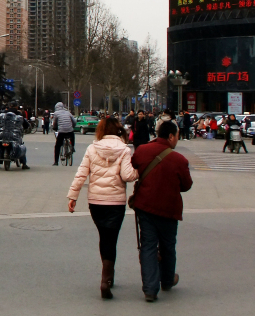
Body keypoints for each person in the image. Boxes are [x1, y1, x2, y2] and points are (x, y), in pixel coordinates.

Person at [67, 116, 138, 299]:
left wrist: (73, 196)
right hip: (115, 202)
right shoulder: (124, 150)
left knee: (103, 236)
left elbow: (81, 173)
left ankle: (107, 277)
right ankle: (106, 279)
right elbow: (127, 175)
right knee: (111, 238)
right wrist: (139, 171)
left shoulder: (92, 148)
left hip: (96, 201)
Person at [130, 120, 193, 302]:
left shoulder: (142, 150)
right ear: (171, 136)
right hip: (168, 209)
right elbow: (186, 185)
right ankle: (166, 280)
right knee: (168, 245)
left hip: (146, 207)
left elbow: (134, 167)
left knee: (148, 245)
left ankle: (150, 289)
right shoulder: (179, 160)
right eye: (177, 137)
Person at [0, 103, 29, 169]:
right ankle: (24, 164)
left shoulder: (3, 114)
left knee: (0, 145)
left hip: (2, 135)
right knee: (20, 146)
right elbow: (25, 124)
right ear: (16, 107)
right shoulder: (18, 114)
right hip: (14, 136)